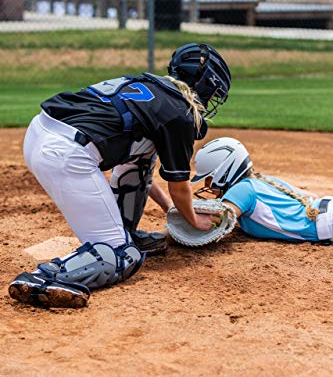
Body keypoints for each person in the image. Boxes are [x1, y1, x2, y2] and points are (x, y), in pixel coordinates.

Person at [8, 43, 231, 308]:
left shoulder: (150, 87)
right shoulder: (179, 113)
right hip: (66, 155)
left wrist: (170, 210)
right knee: (123, 256)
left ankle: (124, 231)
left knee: (140, 162)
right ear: (205, 85)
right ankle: (43, 278)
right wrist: (192, 220)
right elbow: (178, 186)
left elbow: (137, 168)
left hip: (40, 133)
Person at [192, 137, 333, 244]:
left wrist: (183, 218)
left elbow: (219, 221)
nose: (207, 185)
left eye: (209, 178)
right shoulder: (263, 180)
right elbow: (312, 196)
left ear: (224, 172)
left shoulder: (241, 190)